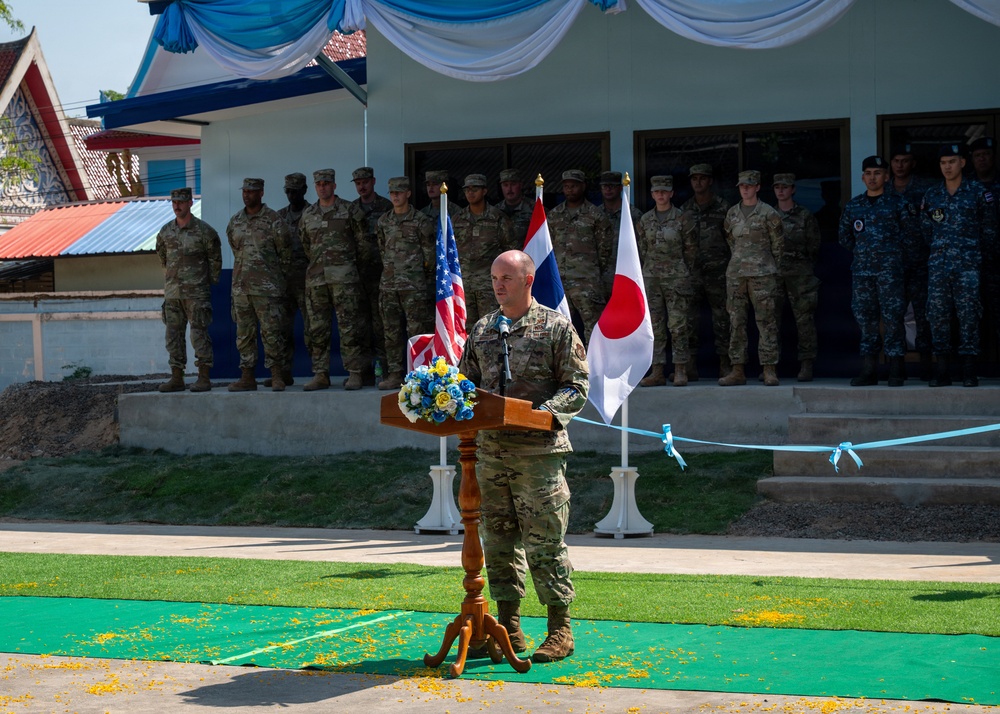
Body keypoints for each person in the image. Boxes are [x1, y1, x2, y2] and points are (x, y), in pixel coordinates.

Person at [458, 249, 589, 664]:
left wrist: (545, 413)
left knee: (545, 542)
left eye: (507, 278)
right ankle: (508, 627)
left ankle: (559, 629)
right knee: (497, 542)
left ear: (528, 280)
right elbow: (466, 386)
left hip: (537, 455)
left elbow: (576, 385)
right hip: (491, 454)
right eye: (495, 277)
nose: (498, 285)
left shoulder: (555, 327)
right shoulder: (482, 330)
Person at [920, 143, 997, 387]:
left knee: (969, 315)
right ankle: (941, 370)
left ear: (962, 163)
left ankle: (968, 371)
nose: (947, 167)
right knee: (938, 315)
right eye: (943, 163)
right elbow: (925, 232)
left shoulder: (978, 192)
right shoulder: (932, 195)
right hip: (939, 268)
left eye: (952, 162)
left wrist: (976, 256)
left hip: (968, 266)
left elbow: (989, 230)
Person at [298, 169, 370, 391]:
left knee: (350, 327)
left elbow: (363, 246)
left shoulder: (350, 211)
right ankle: (321, 374)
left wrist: (349, 270)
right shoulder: (308, 214)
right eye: (319, 183)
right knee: (317, 330)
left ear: (334, 186)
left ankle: (355, 373)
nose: (323, 187)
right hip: (317, 281)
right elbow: (305, 246)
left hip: (345, 280)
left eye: (327, 183)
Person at [838, 156, 907, 387]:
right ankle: (869, 370)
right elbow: (845, 237)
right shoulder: (854, 205)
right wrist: (866, 254)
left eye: (877, 173)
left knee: (893, 320)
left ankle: (896, 369)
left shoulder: (899, 203)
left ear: (886, 177)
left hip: (890, 272)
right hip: (863, 273)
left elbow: (911, 238)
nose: (872, 177)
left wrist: (892, 257)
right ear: (862, 177)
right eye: (868, 173)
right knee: (866, 321)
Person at [226, 178, 292, 392]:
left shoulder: (274, 220)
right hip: (241, 289)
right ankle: (247, 377)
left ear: (261, 193)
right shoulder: (235, 221)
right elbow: (235, 249)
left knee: (272, 333)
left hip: (268, 289)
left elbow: (285, 254)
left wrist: (274, 280)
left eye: (252, 191)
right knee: (244, 334)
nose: (247, 195)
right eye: (245, 191)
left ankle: (276, 375)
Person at [718, 170, 783, 387]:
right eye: (741, 186)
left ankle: (769, 369)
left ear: (757, 187)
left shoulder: (769, 213)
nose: (745, 189)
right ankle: (737, 369)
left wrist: (766, 265)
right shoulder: (732, 214)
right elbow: (730, 241)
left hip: (763, 274)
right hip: (736, 275)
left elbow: (778, 246)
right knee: (736, 322)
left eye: (749, 185)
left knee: (766, 322)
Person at [154, 187, 222, 393]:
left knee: (199, 335)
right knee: (173, 336)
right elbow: (162, 257)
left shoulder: (205, 232)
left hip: (196, 294)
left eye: (181, 202)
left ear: (190, 203)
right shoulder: (166, 232)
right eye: (174, 202)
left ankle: (203, 377)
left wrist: (204, 283)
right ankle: (177, 377)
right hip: (173, 293)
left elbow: (215, 261)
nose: (177, 205)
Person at [636, 176, 698, 387]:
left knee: (678, 325)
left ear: (671, 193)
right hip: (652, 277)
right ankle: (658, 370)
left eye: (665, 191)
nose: (661, 195)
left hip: (677, 277)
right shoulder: (645, 220)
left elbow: (690, 249)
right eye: (657, 191)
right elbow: (643, 249)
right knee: (655, 326)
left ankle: (681, 368)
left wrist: (680, 269)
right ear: (652, 194)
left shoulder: (682, 218)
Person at [376, 176, 437, 390]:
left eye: (399, 192)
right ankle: (394, 374)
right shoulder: (384, 221)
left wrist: (421, 279)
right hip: (389, 286)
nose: (395, 196)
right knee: (391, 333)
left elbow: (430, 255)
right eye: (392, 192)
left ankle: (418, 374)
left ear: (408, 194)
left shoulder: (421, 221)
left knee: (417, 332)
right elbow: (382, 249)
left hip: (415, 287)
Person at [545, 169, 614, 342]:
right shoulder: (554, 215)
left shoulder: (596, 215)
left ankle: (595, 368)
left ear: (583, 187)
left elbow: (604, 250)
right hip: (559, 282)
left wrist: (592, 273)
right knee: (559, 327)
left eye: (574, 186)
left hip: (587, 283)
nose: (570, 190)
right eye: (567, 186)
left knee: (594, 329)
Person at [680, 163, 732, 380]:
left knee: (722, 320)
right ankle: (690, 365)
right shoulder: (684, 209)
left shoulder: (724, 207)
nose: (698, 182)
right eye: (694, 179)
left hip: (718, 272)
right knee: (688, 320)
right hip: (691, 273)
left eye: (702, 178)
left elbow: (733, 239)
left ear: (710, 180)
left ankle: (725, 365)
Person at [887, 143, 933, 379]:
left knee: (923, 314)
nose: (900, 165)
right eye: (896, 160)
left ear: (912, 163)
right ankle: (896, 367)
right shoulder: (883, 191)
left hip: (920, 261)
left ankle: (926, 364)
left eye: (905, 160)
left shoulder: (927, 189)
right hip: (892, 266)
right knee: (894, 315)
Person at [772, 173, 821, 382]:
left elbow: (814, 246)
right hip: (773, 275)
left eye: (785, 187)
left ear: (793, 189)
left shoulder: (804, 215)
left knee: (804, 321)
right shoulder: (768, 215)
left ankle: (806, 364)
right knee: (770, 322)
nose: (781, 190)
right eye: (777, 187)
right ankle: (770, 366)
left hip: (800, 276)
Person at [452, 173, 516, 333]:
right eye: (467, 190)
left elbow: (509, 251)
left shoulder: (498, 218)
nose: (470, 193)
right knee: (465, 330)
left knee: (490, 327)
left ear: (485, 191)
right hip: (463, 285)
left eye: (475, 189)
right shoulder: (457, 219)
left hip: (490, 285)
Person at [352, 166, 394, 381]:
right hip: (358, 277)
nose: (362, 186)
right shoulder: (351, 210)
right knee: (361, 327)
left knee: (382, 326)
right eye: (358, 183)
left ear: (373, 182)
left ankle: (386, 370)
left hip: (382, 275)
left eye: (365, 182)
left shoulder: (386, 207)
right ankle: (364, 372)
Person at [270, 172, 310, 387]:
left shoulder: (312, 214)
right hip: (283, 282)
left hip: (307, 281)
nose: (291, 195)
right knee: (281, 330)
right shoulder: (278, 217)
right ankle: (283, 373)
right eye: (288, 191)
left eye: (295, 191)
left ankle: (320, 373)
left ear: (304, 190)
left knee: (313, 330)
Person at [969, 137, 1000, 348]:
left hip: (998, 261)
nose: (982, 159)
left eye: (986, 154)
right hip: (971, 261)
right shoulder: (966, 186)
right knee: (971, 313)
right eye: (978, 155)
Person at [598, 170, 643, 294]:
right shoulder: (595, 214)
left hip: (627, 274)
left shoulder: (633, 214)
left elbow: (642, 246)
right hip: (601, 276)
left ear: (620, 188)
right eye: (604, 186)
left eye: (612, 186)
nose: (608, 189)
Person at [495, 168, 535, 247]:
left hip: (526, 256)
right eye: (505, 185)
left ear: (521, 185)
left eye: (513, 184)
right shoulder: (495, 211)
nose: (509, 189)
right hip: (502, 257)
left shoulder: (534, 209)